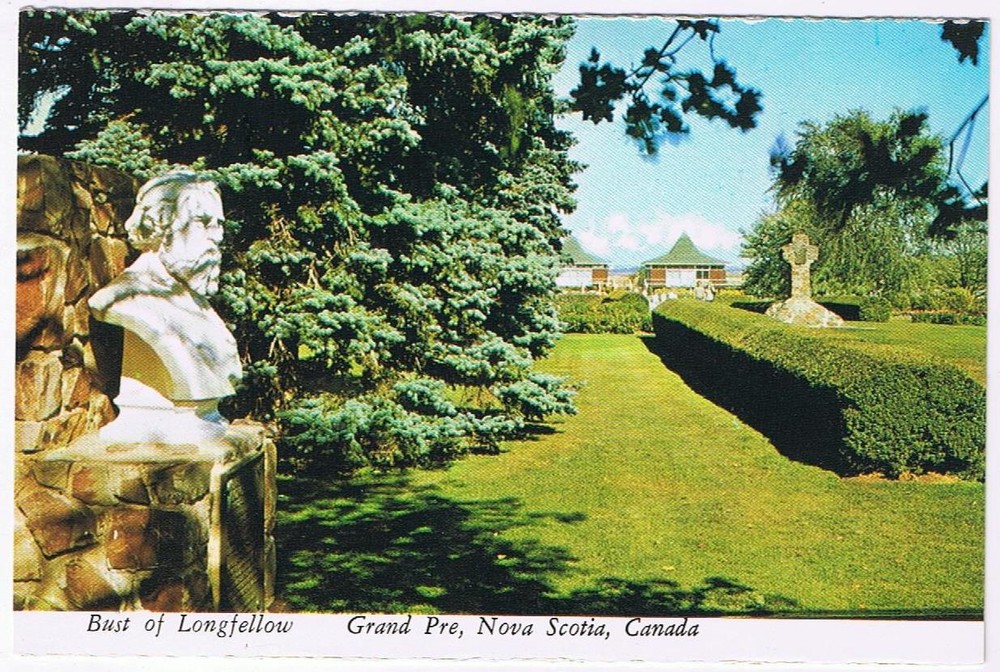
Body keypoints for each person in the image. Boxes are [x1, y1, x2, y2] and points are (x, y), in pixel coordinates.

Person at [89, 171, 242, 439]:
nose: (216, 237)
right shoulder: (123, 300)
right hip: (162, 427)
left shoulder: (194, 303)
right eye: (202, 222)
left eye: (218, 224)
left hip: (202, 425)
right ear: (159, 224)